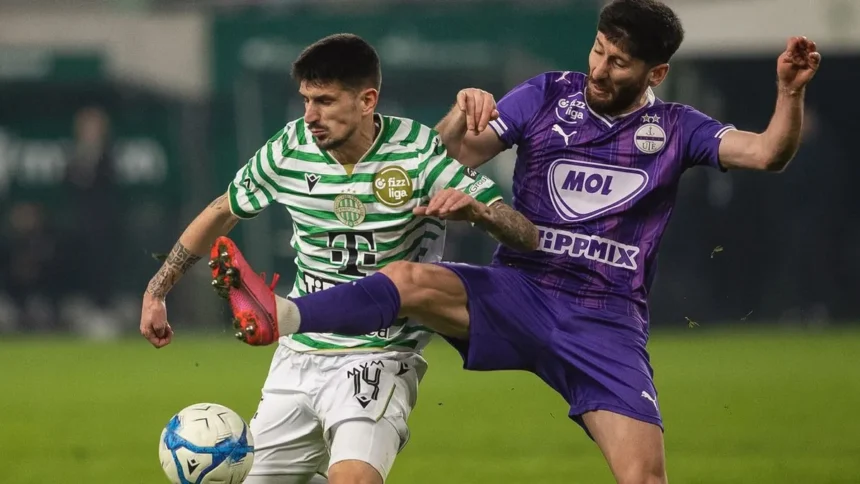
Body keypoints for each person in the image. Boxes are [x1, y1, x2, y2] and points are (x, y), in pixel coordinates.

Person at [212, 1, 821, 482]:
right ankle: (284, 315)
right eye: (598, 50)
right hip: (519, 290)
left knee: (644, 476)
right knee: (407, 279)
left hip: (604, 320)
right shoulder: (548, 94)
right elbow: (449, 154)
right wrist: (461, 113)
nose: (599, 69)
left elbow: (768, 153)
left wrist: (789, 93)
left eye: (618, 63)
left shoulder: (677, 128)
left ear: (655, 73)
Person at [139, 34, 537, 484]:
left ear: (367, 101)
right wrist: (157, 290)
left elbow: (526, 235)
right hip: (299, 353)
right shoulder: (289, 148)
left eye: (325, 101)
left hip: (378, 353)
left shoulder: (417, 151)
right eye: (306, 100)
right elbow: (221, 211)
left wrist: (480, 212)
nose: (310, 116)